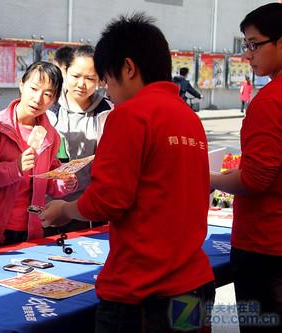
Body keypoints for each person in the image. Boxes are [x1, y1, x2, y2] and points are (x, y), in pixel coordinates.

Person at [42, 13, 215, 332]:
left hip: (143, 293)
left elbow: (109, 199)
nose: (107, 91)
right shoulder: (189, 118)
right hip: (193, 281)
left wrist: (66, 210)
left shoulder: (129, 116)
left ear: (128, 68)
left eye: (106, 80)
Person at [211, 3, 281, 333]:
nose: (248, 54)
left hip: (265, 245)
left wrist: (211, 178)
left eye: (254, 44)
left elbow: (255, 178)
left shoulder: (270, 102)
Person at [0, 61, 77, 248]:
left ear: (54, 99)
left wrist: (64, 182)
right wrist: (16, 167)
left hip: (32, 228)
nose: (38, 99)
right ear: (21, 85)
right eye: (34, 88)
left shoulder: (51, 135)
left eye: (48, 94)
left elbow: (48, 181)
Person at [48, 45, 112, 232]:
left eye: (90, 78)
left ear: (100, 80)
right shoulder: (49, 106)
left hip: (88, 206)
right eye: (76, 76)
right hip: (49, 203)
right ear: (65, 72)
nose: (81, 84)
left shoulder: (108, 111)